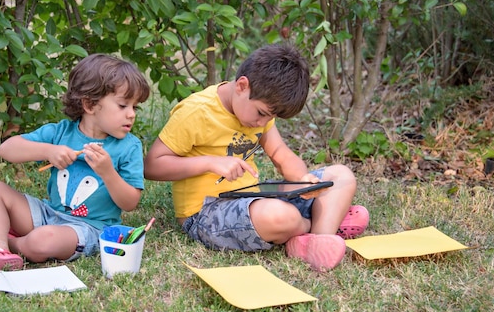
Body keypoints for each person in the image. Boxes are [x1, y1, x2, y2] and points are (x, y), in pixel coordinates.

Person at [144, 44, 368, 272]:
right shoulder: (197, 112)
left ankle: (319, 239)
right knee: (281, 217)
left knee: (341, 175)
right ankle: (320, 223)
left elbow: (280, 154)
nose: (263, 123)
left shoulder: (260, 110)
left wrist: (302, 179)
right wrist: (211, 162)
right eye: (261, 113)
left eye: (270, 117)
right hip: (205, 213)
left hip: (253, 198)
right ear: (242, 86)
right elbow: (152, 166)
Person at [0, 54, 150, 270]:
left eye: (135, 107)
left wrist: (107, 173)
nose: (131, 114)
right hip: (48, 213)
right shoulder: (60, 133)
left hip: (89, 228)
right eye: (123, 105)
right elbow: (6, 149)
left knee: (41, 240)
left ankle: (8, 242)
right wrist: (49, 150)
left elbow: (130, 203)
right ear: (90, 104)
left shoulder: (129, 147)